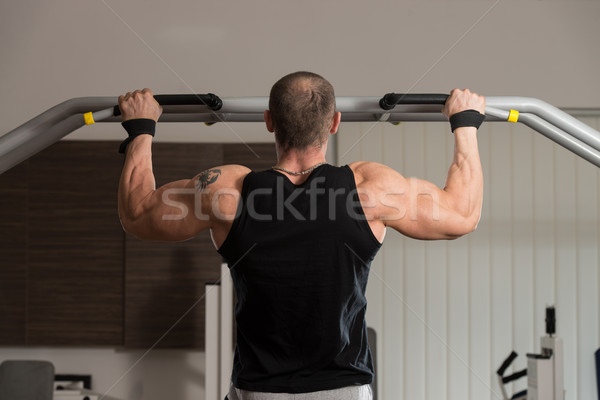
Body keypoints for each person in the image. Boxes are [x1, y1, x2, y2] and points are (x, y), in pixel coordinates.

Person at [117, 71, 485, 400]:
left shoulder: (226, 193)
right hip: (343, 391)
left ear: (268, 122)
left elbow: (137, 213)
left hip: (256, 391)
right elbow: (462, 215)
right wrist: (465, 123)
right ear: (335, 123)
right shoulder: (371, 191)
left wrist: (141, 128)